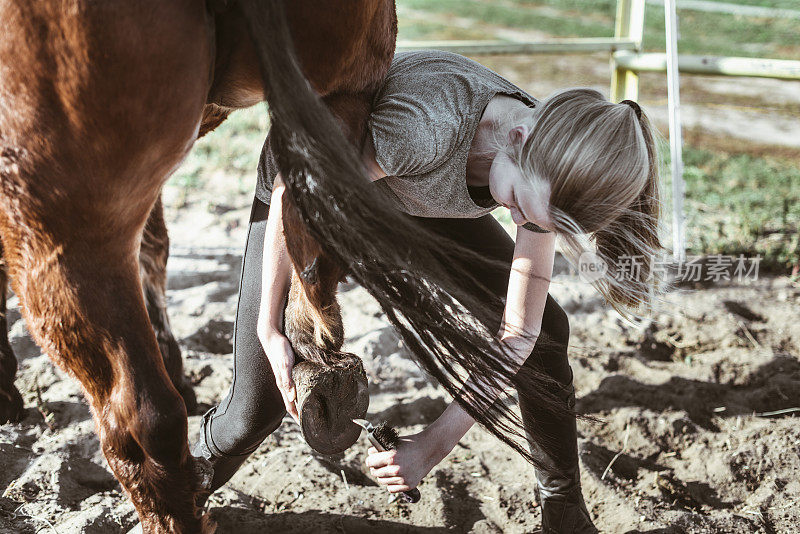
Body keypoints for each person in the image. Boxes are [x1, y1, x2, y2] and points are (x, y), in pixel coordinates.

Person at [191, 49, 665, 533]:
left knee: (545, 336)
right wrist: (269, 327)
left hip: (411, 194)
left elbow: (518, 335)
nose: (521, 224)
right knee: (261, 403)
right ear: (519, 138)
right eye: (520, 208)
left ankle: (564, 514)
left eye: (535, 224)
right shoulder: (427, 129)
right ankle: (179, 482)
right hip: (309, 186)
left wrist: (430, 447)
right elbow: (297, 185)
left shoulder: (539, 160)